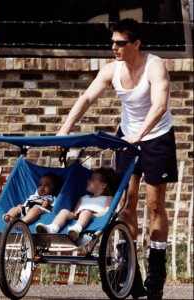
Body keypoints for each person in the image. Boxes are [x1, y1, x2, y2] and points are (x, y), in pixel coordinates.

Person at [55, 18, 178, 300]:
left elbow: (159, 106)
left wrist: (140, 135)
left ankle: (156, 273)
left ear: (136, 44)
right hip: (127, 138)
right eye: (113, 42)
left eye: (121, 43)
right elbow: (87, 98)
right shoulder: (112, 69)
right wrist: (65, 129)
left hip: (156, 137)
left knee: (156, 204)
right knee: (125, 202)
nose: (115, 47)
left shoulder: (154, 65)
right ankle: (128, 268)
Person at [36, 167, 119, 240]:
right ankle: (52, 228)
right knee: (64, 211)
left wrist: (93, 214)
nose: (88, 181)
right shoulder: (83, 197)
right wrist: (74, 214)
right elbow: (75, 211)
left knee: (85, 212)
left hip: (94, 217)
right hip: (78, 215)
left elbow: (107, 211)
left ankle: (76, 229)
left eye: (92, 180)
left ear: (103, 185)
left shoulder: (108, 198)